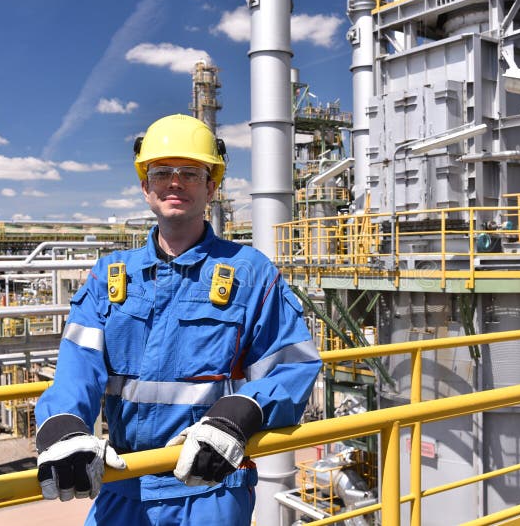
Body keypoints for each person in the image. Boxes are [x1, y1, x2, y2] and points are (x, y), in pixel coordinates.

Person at [34, 114, 321, 525]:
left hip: (210, 486)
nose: (175, 182)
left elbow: (293, 366)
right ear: (144, 186)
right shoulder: (111, 275)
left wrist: (237, 415)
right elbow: (77, 369)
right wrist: (63, 424)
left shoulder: (251, 273)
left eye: (190, 173)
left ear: (211, 187)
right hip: (123, 481)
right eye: (162, 172)